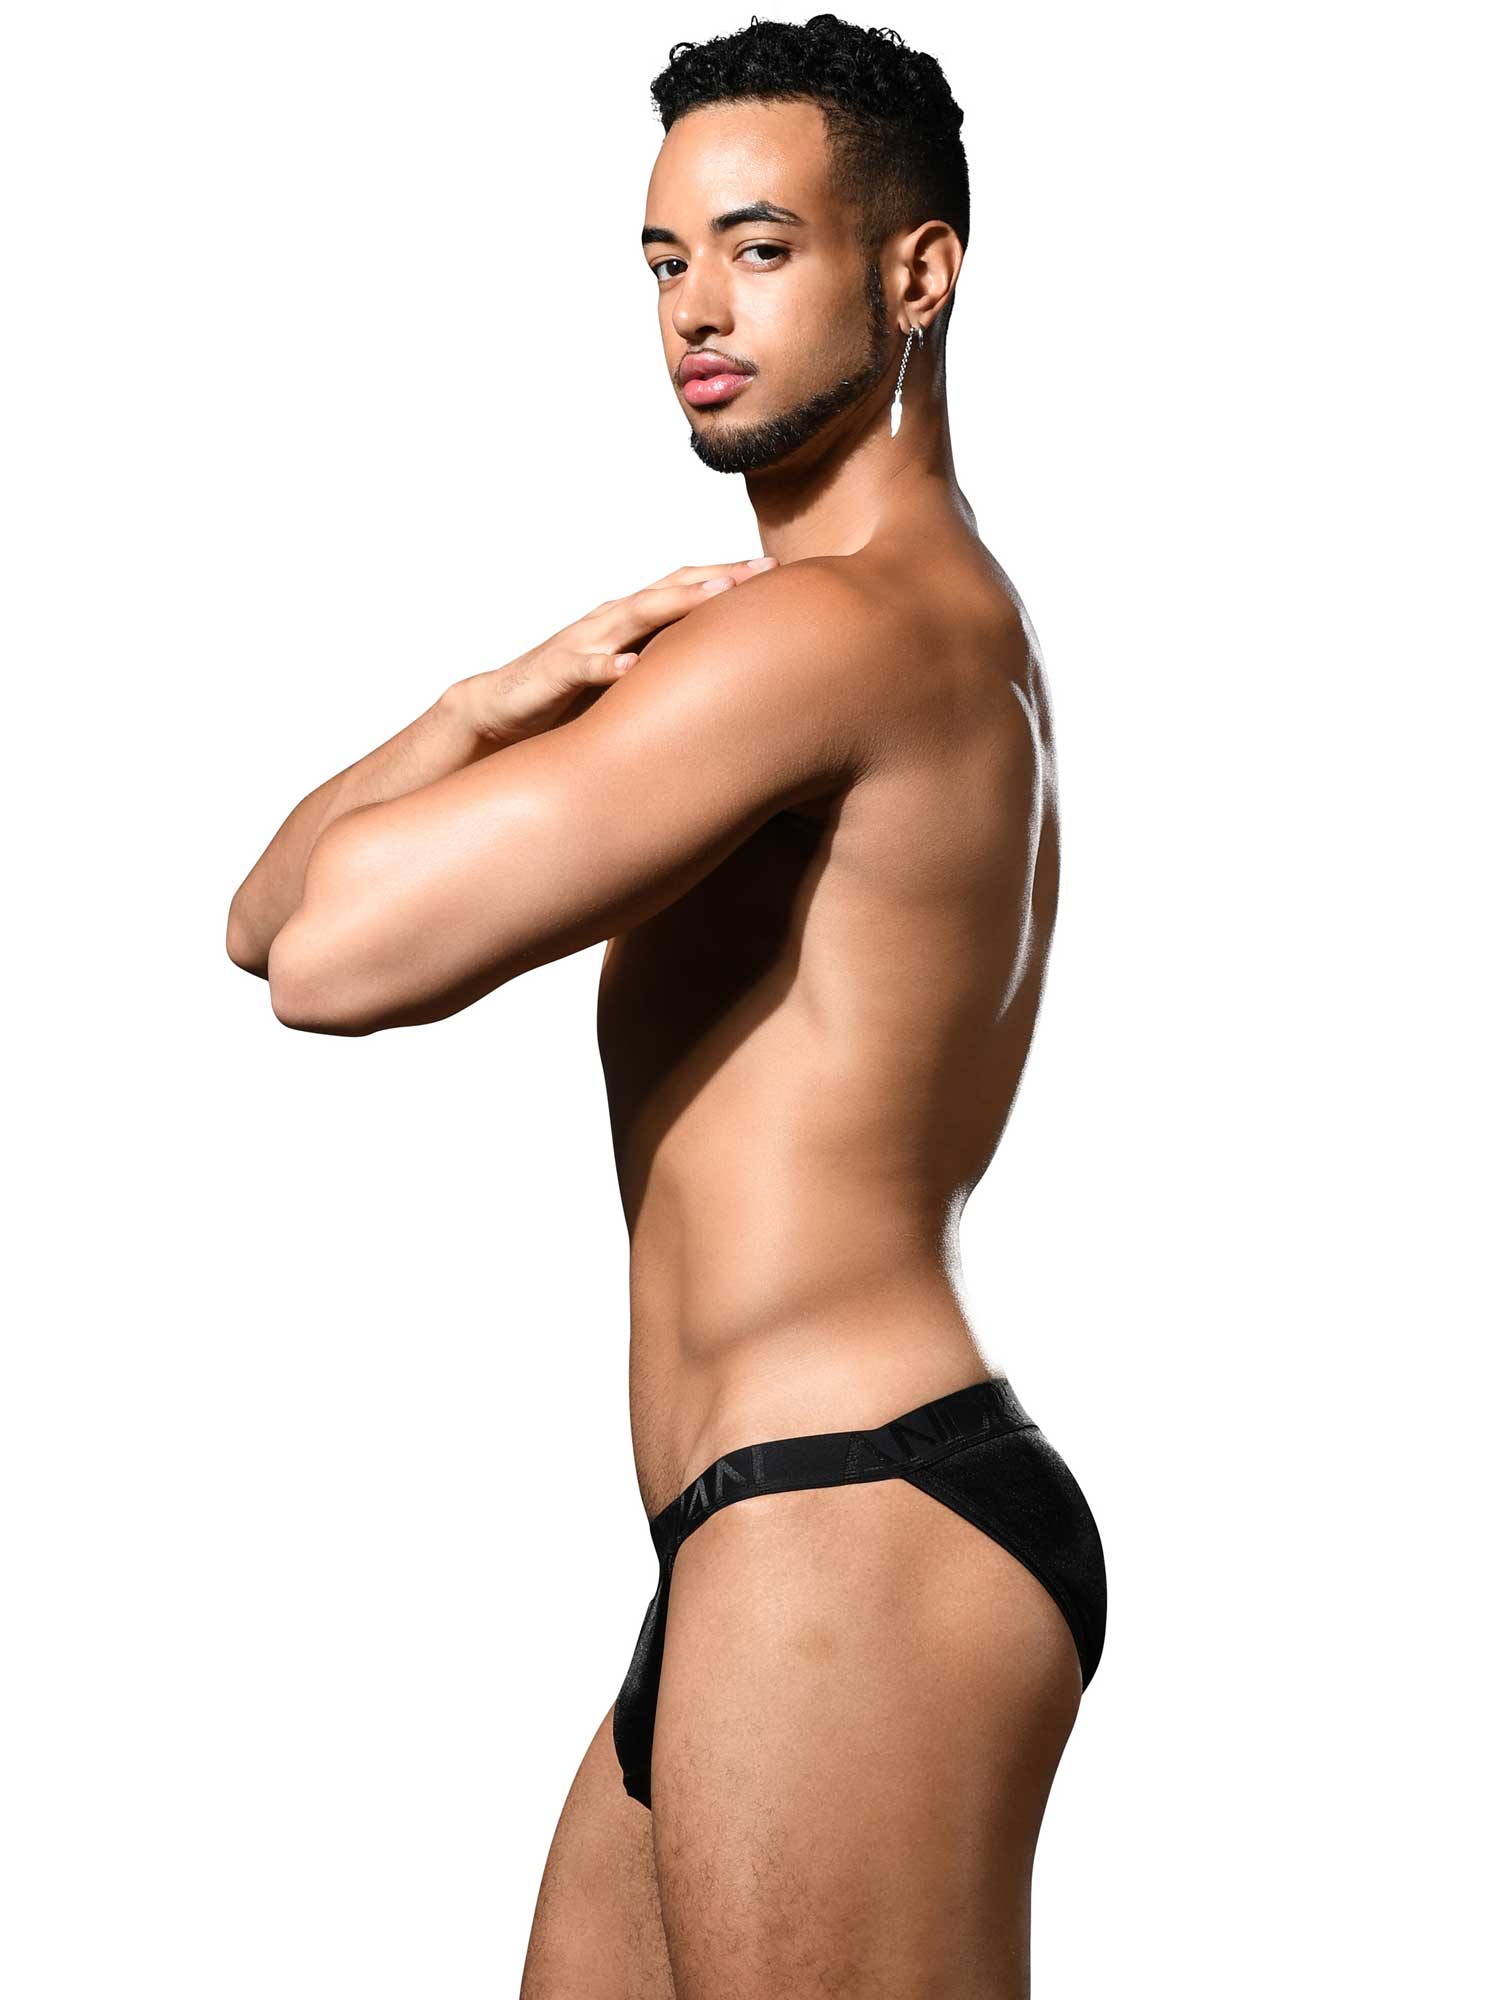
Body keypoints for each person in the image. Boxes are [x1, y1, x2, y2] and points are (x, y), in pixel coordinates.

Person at [226, 14, 1107, 1994]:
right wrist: (490, 700)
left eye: (760, 248)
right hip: (759, 1533)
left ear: (917, 274)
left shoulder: (837, 633)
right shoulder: (906, 625)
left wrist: (491, 736)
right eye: (663, 258)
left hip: (844, 1522)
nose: (696, 308)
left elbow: (340, 965)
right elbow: (262, 920)